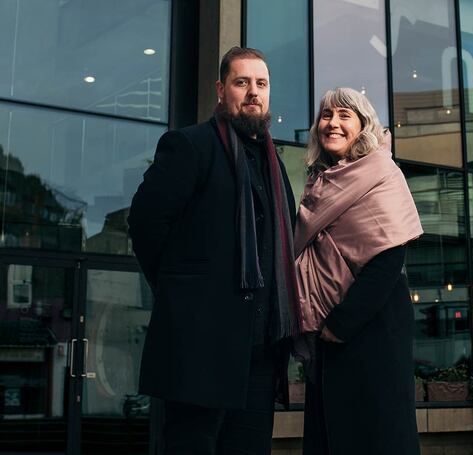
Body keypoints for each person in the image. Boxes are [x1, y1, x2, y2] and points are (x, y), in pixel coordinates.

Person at [128, 46, 300, 454]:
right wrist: (181, 292)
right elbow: (145, 223)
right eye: (242, 82)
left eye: (262, 84)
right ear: (222, 90)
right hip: (201, 349)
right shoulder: (190, 146)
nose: (253, 92)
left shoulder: (275, 164)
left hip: (260, 355)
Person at [294, 87, 423, 455]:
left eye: (344, 115)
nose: (332, 123)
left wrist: (341, 324)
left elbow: (389, 257)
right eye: (326, 115)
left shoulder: (382, 173)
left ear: (363, 126)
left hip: (371, 329)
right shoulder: (321, 179)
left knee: (372, 435)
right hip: (327, 335)